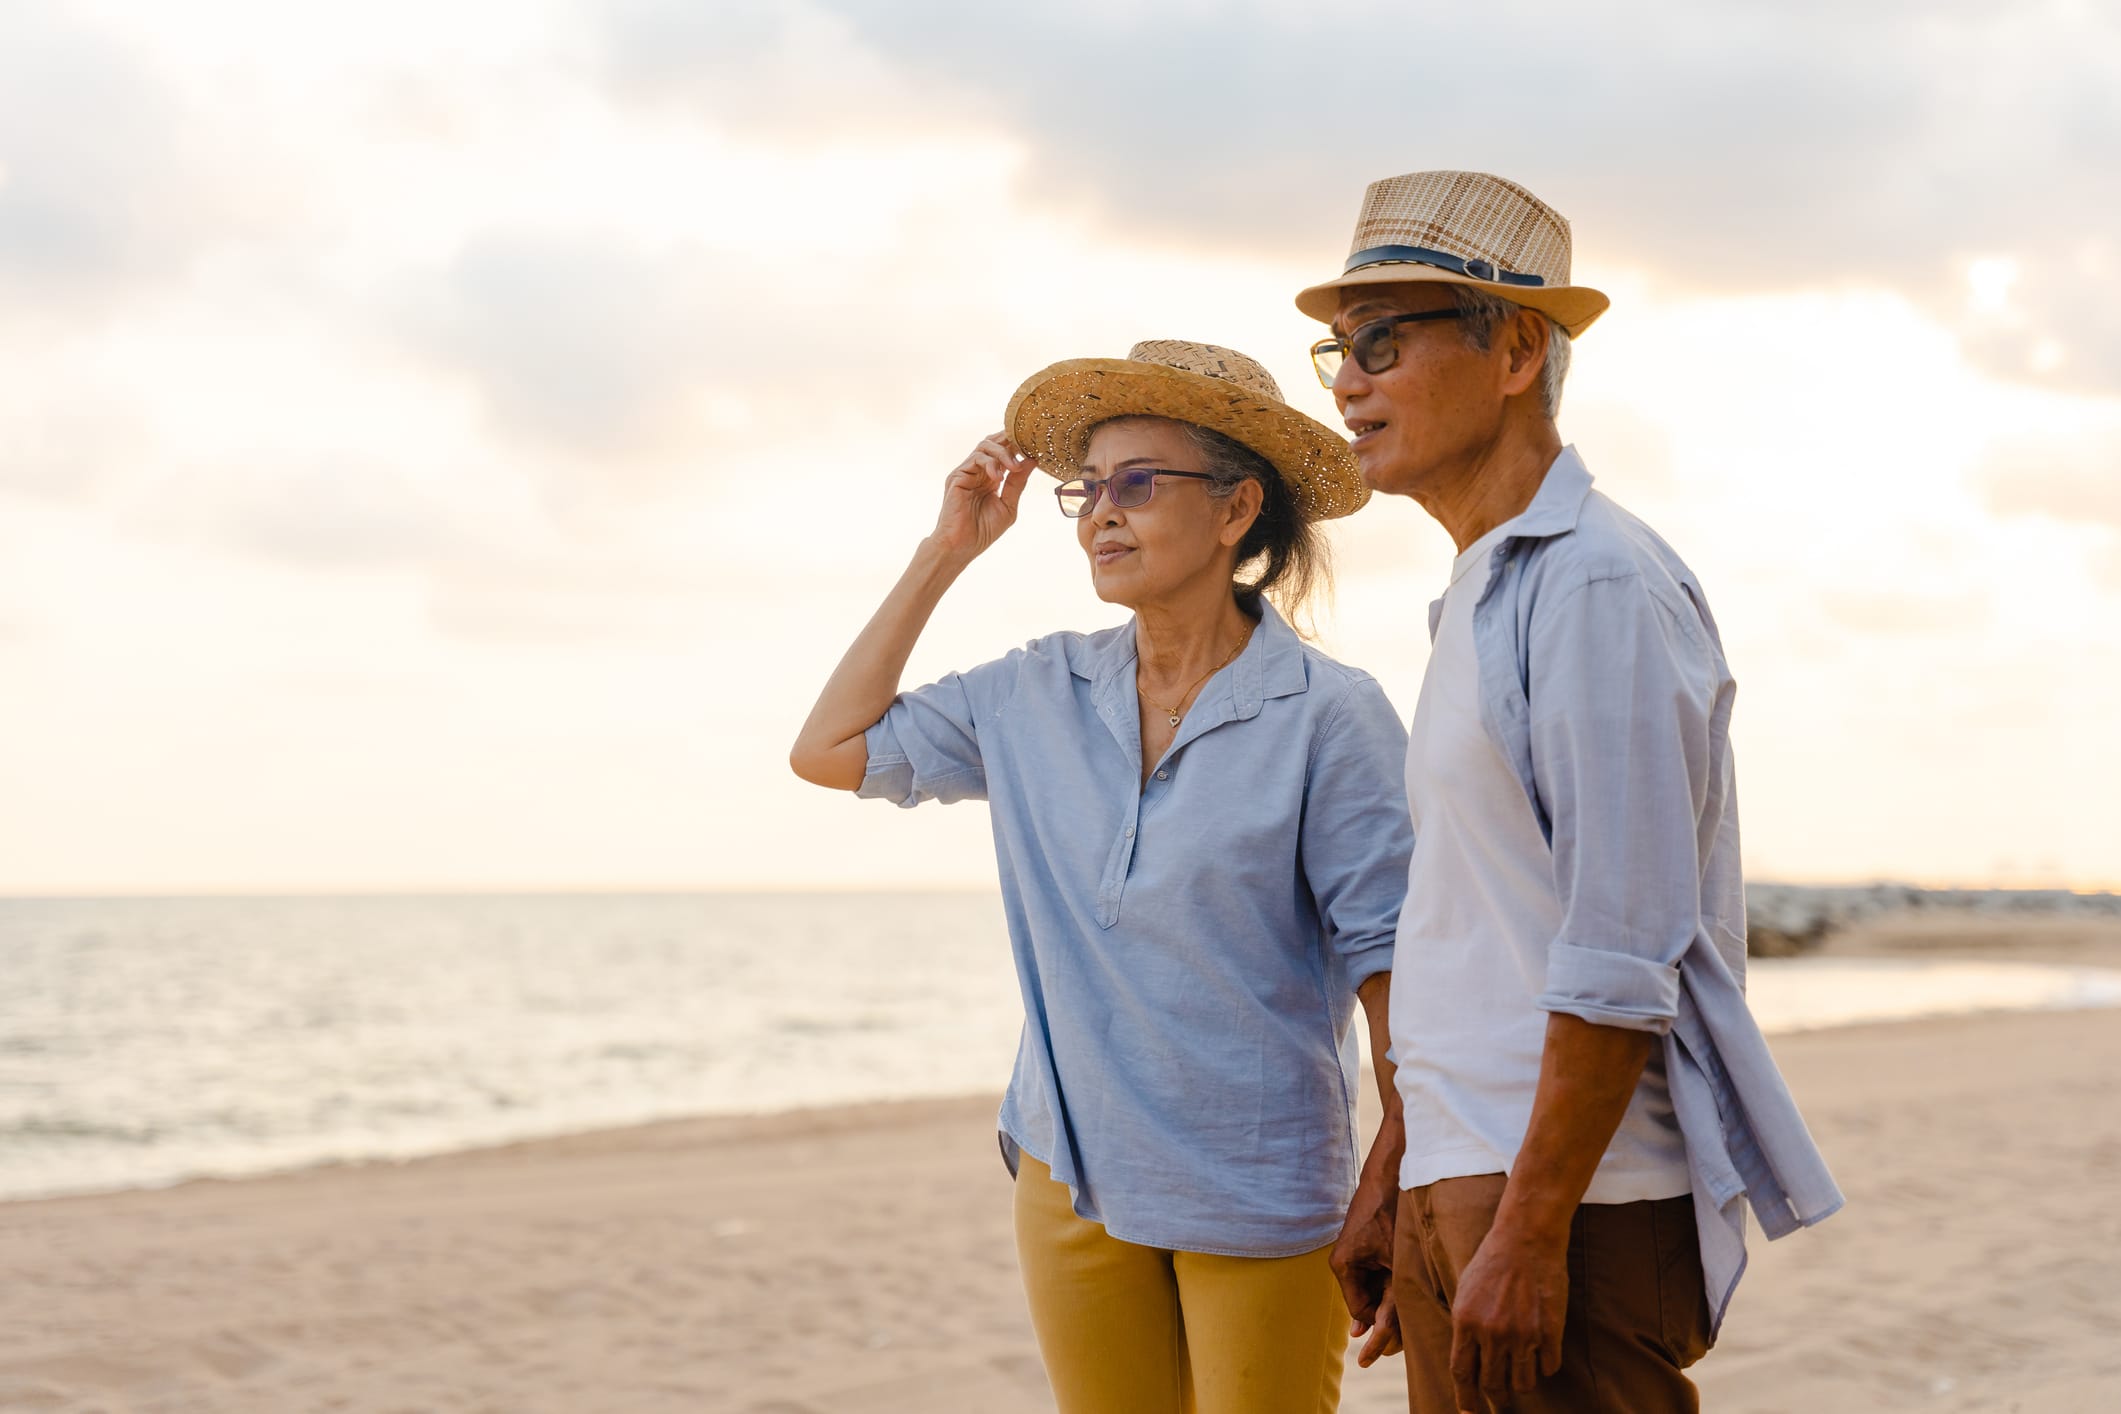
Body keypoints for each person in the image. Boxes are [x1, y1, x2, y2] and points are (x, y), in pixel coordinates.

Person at [1293, 171, 1844, 1412]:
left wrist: (1530, 1229)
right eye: (1340, 345)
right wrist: (1398, 1161)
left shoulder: (1596, 586)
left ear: (1516, 350)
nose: (1345, 382)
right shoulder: (1485, 593)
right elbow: (1473, 930)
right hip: (1468, 1179)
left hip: (1568, 1206)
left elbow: (1620, 941)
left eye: (1385, 341)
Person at [788, 340, 1414, 1413]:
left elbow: (1392, 963)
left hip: (1259, 1185)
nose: (1099, 514)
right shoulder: (1035, 691)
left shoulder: (1328, 714)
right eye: (1088, 489)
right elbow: (830, 748)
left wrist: (1399, 1180)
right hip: (1068, 1176)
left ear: (1235, 510)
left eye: (1138, 484)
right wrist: (945, 552)